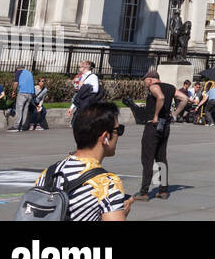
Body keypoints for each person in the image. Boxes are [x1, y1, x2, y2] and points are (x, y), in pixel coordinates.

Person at [32, 101, 132, 222]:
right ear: (105, 137)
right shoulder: (106, 183)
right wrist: (122, 213)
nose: (119, 135)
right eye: (118, 130)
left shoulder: (48, 173)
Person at [133, 68, 182, 203]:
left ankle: (144, 192)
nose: (145, 84)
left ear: (150, 79)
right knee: (161, 158)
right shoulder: (171, 87)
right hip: (165, 126)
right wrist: (174, 115)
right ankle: (163, 190)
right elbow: (184, 99)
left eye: (145, 82)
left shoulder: (154, 86)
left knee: (147, 159)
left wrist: (155, 115)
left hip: (153, 126)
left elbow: (160, 97)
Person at [13, 64, 35, 132]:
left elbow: (16, 83)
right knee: (25, 110)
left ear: (18, 69)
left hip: (22, 93)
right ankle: (23, 126)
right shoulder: (29, 73)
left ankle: (16, 126)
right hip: (30, 93)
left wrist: (13, 91)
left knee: (19, 109)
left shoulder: (19, 72)